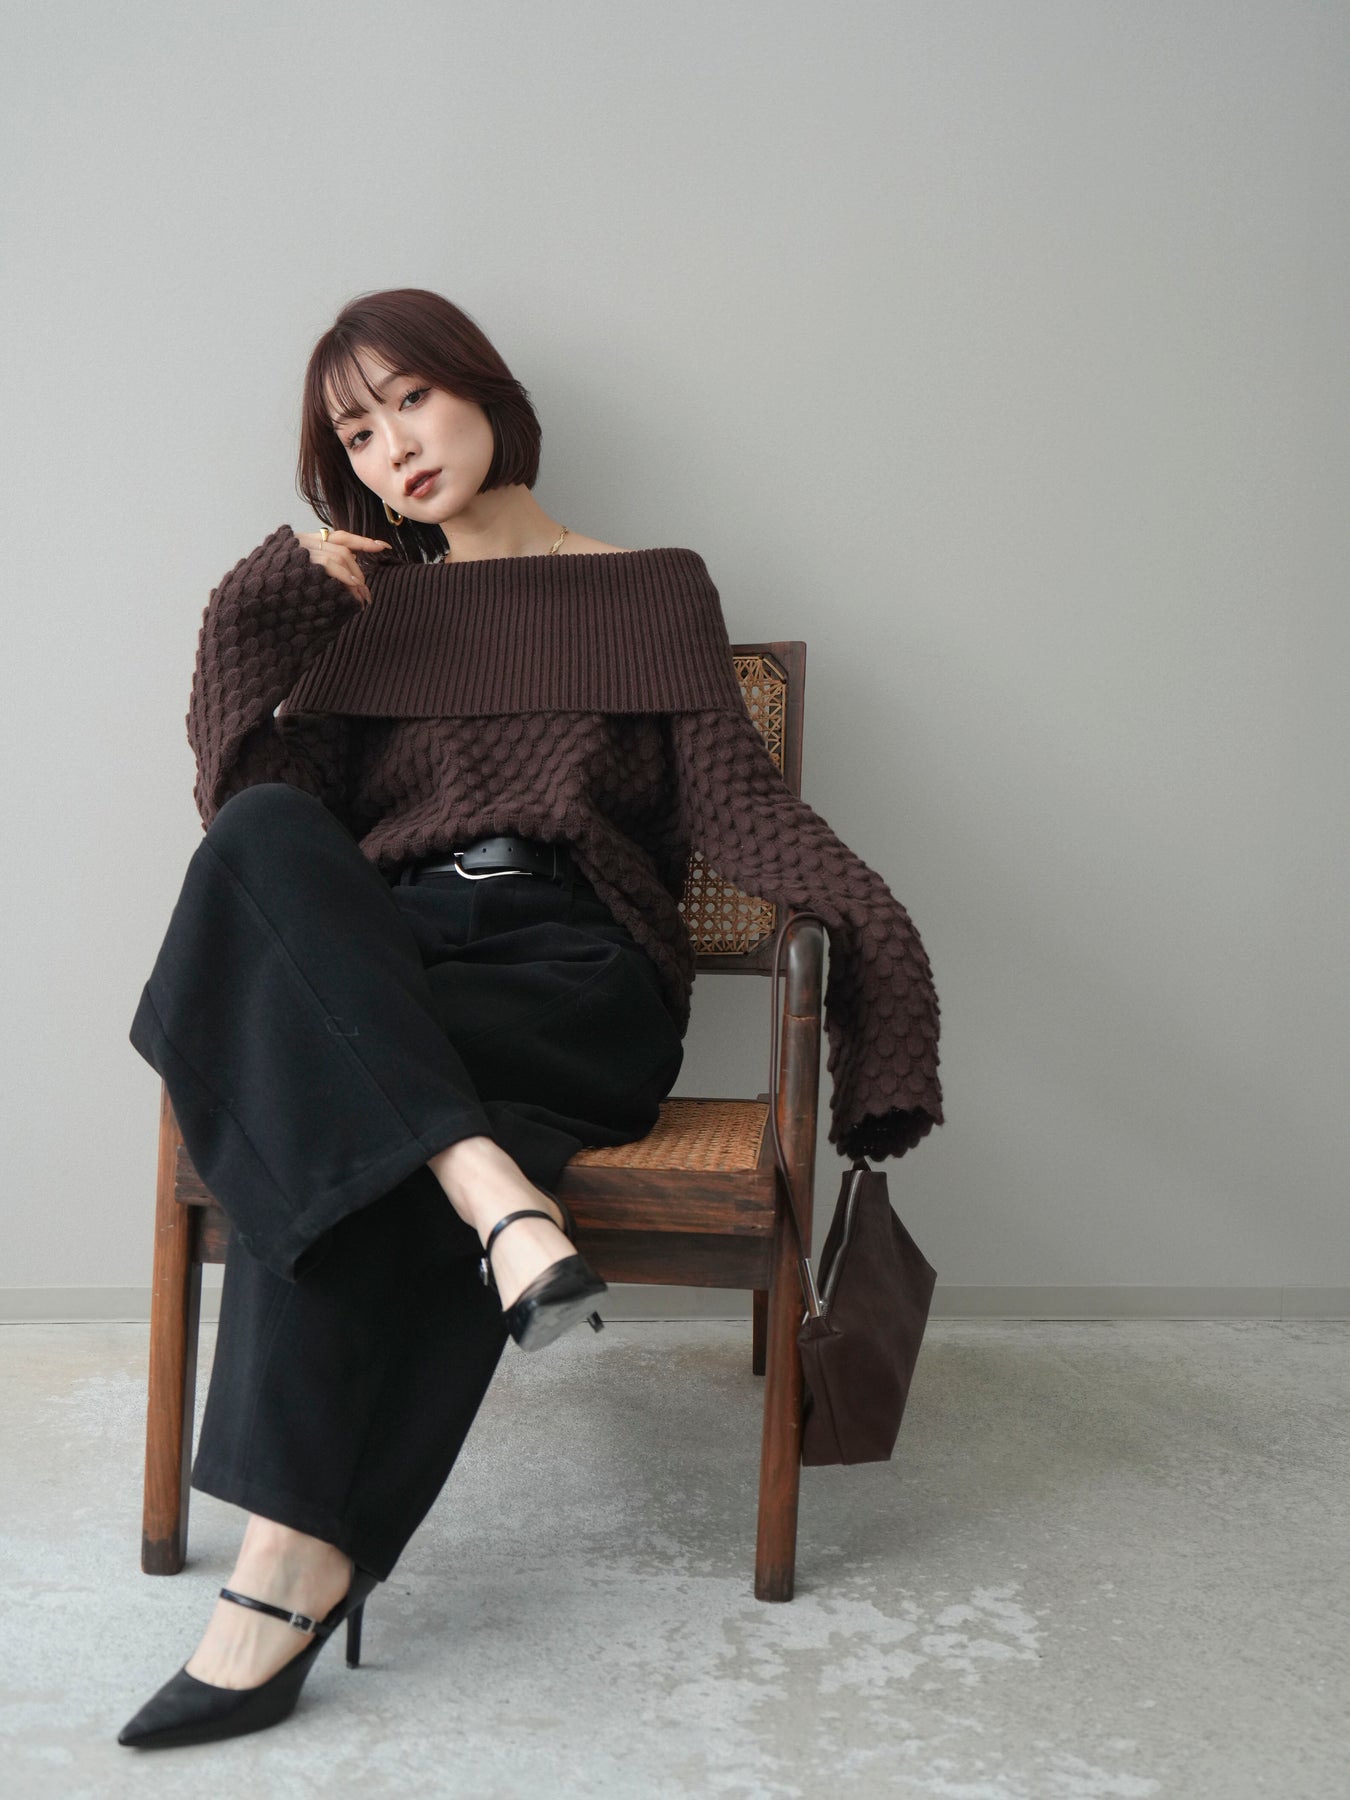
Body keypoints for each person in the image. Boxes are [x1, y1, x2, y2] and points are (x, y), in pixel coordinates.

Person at [118, 288, 944, 1749]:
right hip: (399, 971)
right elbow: (251, 826)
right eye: (355, 436)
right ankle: (493, 1192)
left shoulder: (653, 589)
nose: (392, 449)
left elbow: (742, 812)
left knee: (340, 1116)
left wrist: (876, 943)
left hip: (574, 973)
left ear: (484, 393)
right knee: (257, 845)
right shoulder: (371, 617)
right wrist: (260, 611)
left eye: (410, 402)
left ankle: (280, 1572)